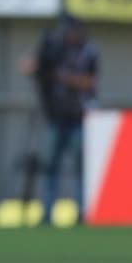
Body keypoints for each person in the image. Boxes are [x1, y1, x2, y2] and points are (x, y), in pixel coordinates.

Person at [33, 13, 99, 226]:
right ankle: (46, 213)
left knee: (81, 168)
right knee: (50, 166)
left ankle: (81, 212)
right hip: (56, 117)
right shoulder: (55, 49)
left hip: (78, 117)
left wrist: (63, 77)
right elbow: (36, 67)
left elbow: (88, 82)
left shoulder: (87, 51)